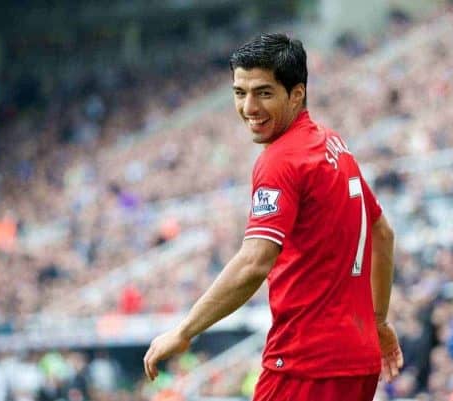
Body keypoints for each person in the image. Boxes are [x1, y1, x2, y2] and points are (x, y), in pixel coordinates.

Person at [143, 33, 403, 401]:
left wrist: (185, 330)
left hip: (306, 363)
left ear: (296, 94)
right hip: (357, 360)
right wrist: (377, 322)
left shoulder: (281, 160)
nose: (249, 107)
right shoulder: (333, 144)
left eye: (263, 92)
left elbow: (254, 262)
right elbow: (383, 233)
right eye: (239, 92)